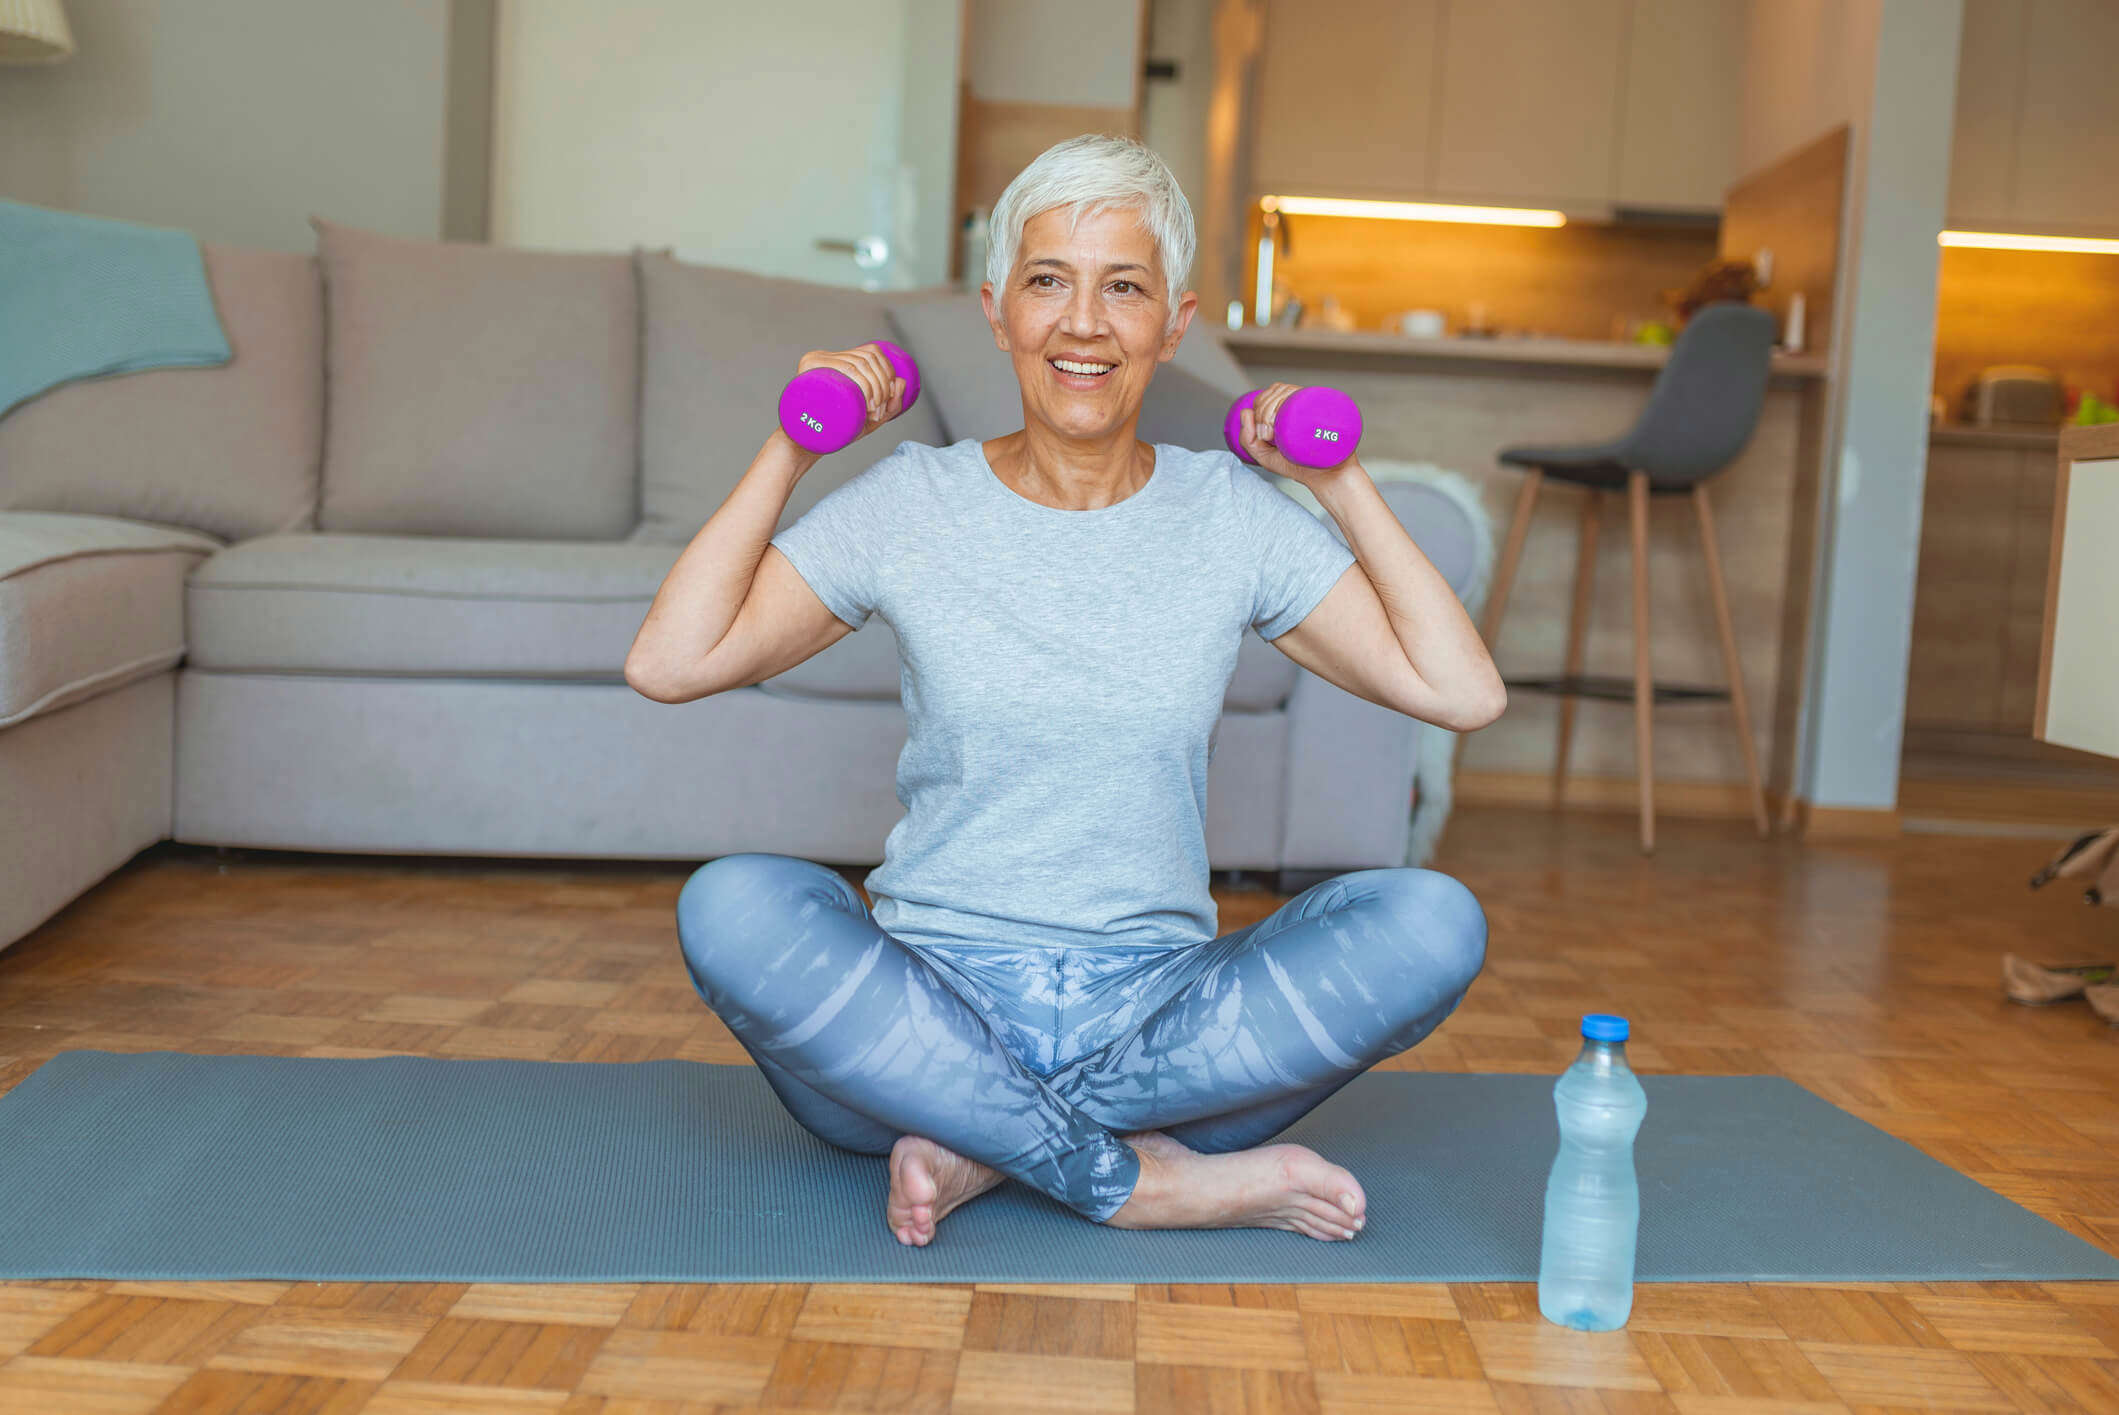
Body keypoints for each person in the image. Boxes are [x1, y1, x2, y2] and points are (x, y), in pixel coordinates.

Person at [625, 134, 1506, 1247]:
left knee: (1432, 920)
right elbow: (670, 661)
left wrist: (1336, 481)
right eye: (1049, 281)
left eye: (1122, 287)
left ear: (1172, 324)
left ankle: (983, 1144)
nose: (1083, 322)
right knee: (731, 904)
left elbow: (1459, 689)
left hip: (1158, 1015)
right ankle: (1136, 1180)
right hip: (920, 1010)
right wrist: (792, 444)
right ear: (998, 312)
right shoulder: (914, 503)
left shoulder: (1228, 514)